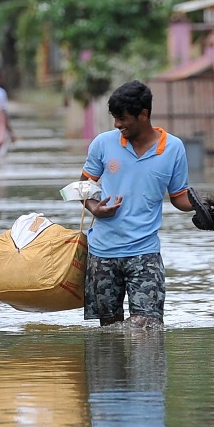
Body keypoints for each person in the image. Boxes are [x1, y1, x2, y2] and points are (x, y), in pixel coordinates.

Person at [79, 80, 197, 328]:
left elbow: (179, 197)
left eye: (122, 118)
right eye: (114, 118)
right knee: (109, 332)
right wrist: (94, 208)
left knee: (147, 327)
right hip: (102, 254)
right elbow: (83, 186)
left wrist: (200, 205)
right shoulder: (103, 143)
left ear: (143, 115)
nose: (117, 125)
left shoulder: (173, 148)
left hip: (145, 252)